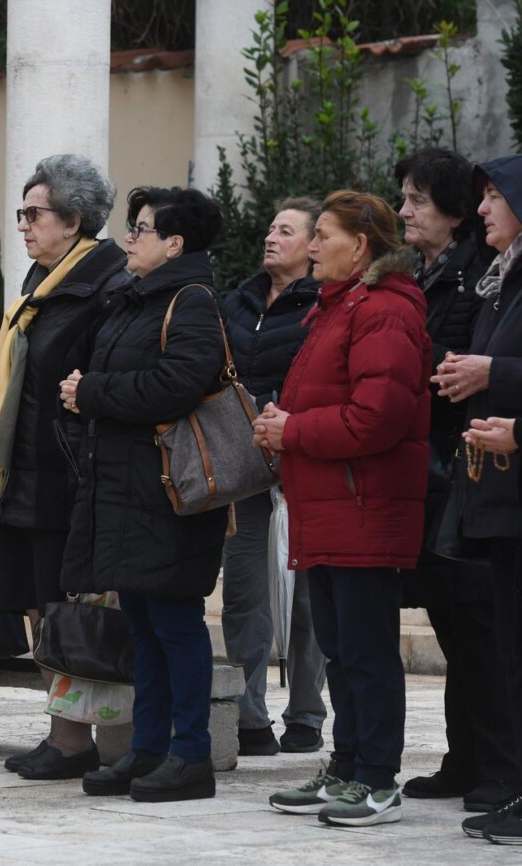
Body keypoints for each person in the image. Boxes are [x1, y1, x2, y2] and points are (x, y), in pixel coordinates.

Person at [258, 191, 430, 827]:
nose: (311, 246)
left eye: (322, 235)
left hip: (365, 506)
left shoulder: (383, 310)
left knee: (366, 651)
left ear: (359, 247)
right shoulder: (336, 308)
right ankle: (349, 766)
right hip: (329, 508)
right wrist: (281, 423)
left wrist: (293, 431)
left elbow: (376, 420)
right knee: (340, 650)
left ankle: (378, 779)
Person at [61, 187, 230, 802]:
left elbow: (177, 383)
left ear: (174, 244)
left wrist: (94, 391)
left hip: (170, 491)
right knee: (143, 623)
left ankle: (191, 757)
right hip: (127, 488)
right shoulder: (134, 298)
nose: (129, 238)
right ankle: (149, 748)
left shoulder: (192, 301)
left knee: (176, 622)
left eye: (141, 229)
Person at [0, 154, 130, 779]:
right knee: (36, 607)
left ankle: (92, 739)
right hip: (24, 474)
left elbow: (93, 386)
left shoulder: (103, 287)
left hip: (67, 477)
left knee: (72, 608)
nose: (23, 225)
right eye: (22, 213)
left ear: (72, 221)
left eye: (34, 214)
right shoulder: (39, 286)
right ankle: (64, 734)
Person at [395, 149, 515, 813]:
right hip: (435, 474)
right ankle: (462, 757)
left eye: (418, 199)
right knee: (453, 624)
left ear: (455, 209)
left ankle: (498, 766)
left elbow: (462, 361)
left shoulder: (480, 277)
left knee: (479, 629)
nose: (406, 211)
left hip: (471, 465)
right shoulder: (423, 273)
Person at [219, 198, 326, 757]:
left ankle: (307, 712)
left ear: (313, 245)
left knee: (309, 593)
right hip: (243, 464)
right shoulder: (238, 300)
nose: (270, 237)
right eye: (269, 227)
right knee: (243, 590)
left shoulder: (324, 303)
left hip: (305, 458)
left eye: (285, 230)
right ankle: (250, 715)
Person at [439, 154, 522, 845]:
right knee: (509, 649)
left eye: (496, 195)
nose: (484, 207)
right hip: (496, 492)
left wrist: (494, 372)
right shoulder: (502, 282)